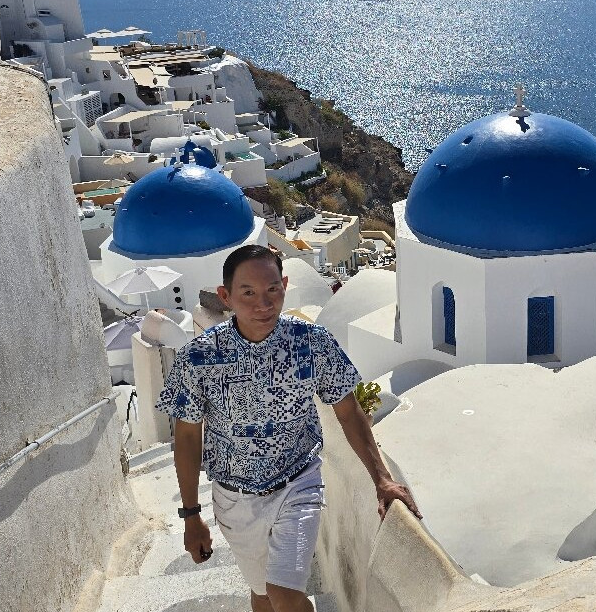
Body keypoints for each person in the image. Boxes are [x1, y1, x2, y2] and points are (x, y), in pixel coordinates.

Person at [156, 244, 419, 612]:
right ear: (225, 296)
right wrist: (191, 515)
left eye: (272, 290)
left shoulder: (311, 342)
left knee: (283, 595)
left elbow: (348, 411)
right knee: (263, 594)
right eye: (248, 293)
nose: (263, 304)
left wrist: (382, 479)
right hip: (234, 500)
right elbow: (186, 436)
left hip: (299, 484)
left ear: (285, 285)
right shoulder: (198, 357)